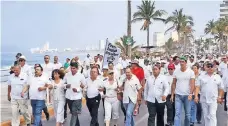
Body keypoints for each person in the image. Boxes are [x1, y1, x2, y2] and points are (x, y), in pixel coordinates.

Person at [194, 61, 224, 126]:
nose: (210, 68)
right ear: (206, 68)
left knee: (212, 114)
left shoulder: (217, 77)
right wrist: (196, 96)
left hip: (213, 99)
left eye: (211, 66)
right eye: (208, 66)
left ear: (214, 68)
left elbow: (221, 88)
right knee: (206, 115)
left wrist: (219, 97)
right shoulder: (201, 77)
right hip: (204, 99)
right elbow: (197, 87)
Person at [171, 56, 195, 126]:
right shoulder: (176, 71)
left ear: (186, 63)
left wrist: (191, 94)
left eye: (183, 62)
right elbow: (174, 83)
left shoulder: (190, 72)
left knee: (187, 114)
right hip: (178, 95)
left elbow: (192, 83)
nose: (181, 63)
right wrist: (172, 95)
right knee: (177, 113)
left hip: (187, 96)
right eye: (180, 62)